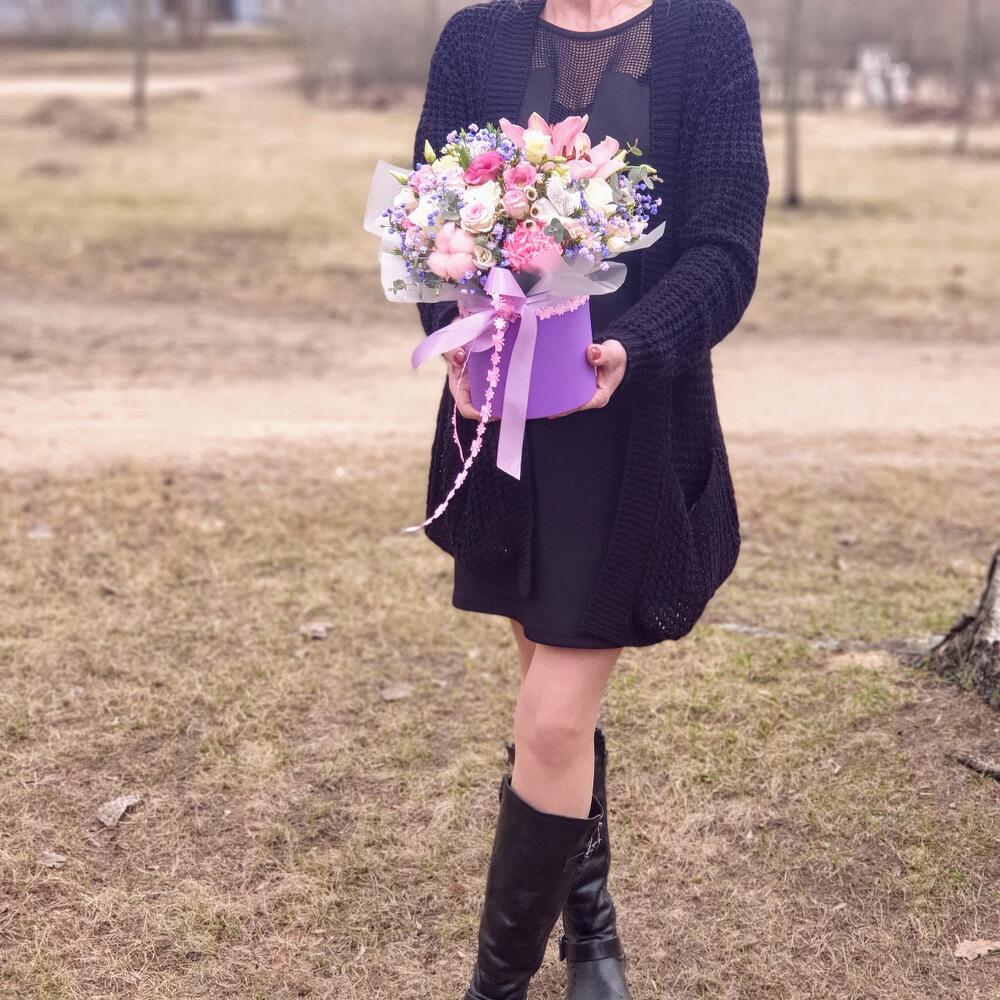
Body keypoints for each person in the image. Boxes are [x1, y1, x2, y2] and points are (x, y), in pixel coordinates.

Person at [411, 1, 769, 997]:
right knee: (545, 701)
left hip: (628, 430)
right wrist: (452, 336)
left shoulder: (706, 35)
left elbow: (725, 247)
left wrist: (635, 347)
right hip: (506, 433)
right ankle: (592, 926)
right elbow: (430, 227)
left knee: (554, 721)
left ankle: (496, 986)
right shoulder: (475, 38)